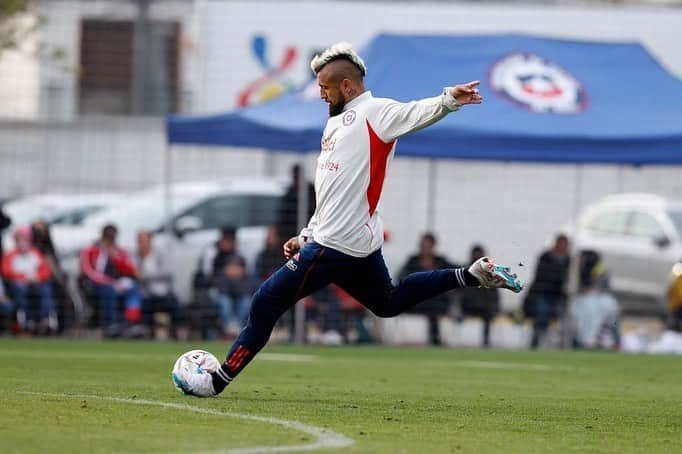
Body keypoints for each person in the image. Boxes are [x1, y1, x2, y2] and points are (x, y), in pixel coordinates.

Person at [192, 42, 522, 397]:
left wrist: (448, 99)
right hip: (353, 241)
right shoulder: (335, 124)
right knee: (388, 303)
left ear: (346, 86)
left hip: (334, 245)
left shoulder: (374, 112)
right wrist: (305, 235)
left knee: (264, 302)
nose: (320, 94)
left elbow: (415, 112)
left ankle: (217, 381)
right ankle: (469, 275)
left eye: (324, 87)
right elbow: (333, 191)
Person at [80, 224, 143, 337]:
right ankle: (111, 325)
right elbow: (88, 272)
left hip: (116, 283)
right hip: (97, 285)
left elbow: (130, 270)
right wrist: (110, 282)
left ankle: (131, 323)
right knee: (110, 291)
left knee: (132, 287)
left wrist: (116, 257)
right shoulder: (90, 251)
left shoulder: (119, 251)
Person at [399, 232, 456, 345]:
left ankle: (435, 340)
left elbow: (455, 272)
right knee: (431, 307)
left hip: (438, 300)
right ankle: (434, 340)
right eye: (422, 244)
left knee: (435, 307)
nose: (424, 247)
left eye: (427, 245)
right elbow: (402, 277)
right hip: (417, 300)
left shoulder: (440, 261)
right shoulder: (413, 261)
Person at [1, 226, 56, 334]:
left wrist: (37, 278)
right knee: (21, 289)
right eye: (19, 239)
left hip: (36, 284)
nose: (22, 242)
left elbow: (46, 271)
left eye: (25, 239)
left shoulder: (35, 253)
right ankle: (28, 320)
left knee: (46, 290)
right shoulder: (10, 255)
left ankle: (44, 319)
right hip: (19, 285)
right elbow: (6, 271)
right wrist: (24, 277)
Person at [523, 234, 571, 348]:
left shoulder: (569, 260)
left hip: (559, 296)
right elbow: (543, 276)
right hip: (544, 293)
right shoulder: (546, 257)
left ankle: (563, 343)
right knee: (541, 313)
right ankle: (536, 341)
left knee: (565, 316)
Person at [134, 230, 181, 339]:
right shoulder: (134, 256)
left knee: (174, 303)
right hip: (142, 294)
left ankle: (175, 333)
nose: (142, 244)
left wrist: (145, 276)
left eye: (144, 240)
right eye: (140, 241)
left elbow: (168, 273)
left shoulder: (159, 255)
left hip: (160, 293)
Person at [458, 244, 500, 347]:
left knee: (488, 315)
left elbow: (494, 294)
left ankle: (485, 343)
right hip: (467, 307)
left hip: (484, 308)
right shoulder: (464, 272)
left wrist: (494, 307)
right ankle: (462, 342)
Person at [276, 164, 316, 241]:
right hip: (290, 234)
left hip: (308, 233)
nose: (296, 178)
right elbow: (282, 217)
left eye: (297, 176)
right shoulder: (289, 194)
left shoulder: (311, 192)